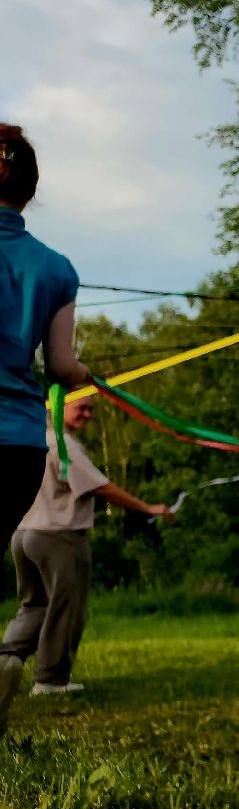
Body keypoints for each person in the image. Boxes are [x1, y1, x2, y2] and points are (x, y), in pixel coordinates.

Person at [0, 124, 95, 730]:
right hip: (14, 442)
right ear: (31, 191)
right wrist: (91, 373)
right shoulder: (55, 266)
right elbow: (62, 366)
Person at [0, 396, 171, 707]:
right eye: (82, 407)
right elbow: (99, 486)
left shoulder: (33, 441)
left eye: (92, 408)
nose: (88, 414)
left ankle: (4, 661)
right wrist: (146, 508)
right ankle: (51, 680)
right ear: (58, 406)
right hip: (58, 536)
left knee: (34, 607)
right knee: (67, 608)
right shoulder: (63, 445)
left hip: (23, 535)